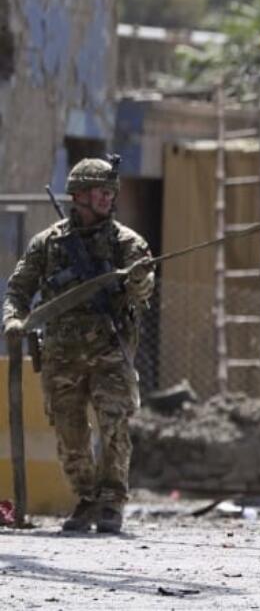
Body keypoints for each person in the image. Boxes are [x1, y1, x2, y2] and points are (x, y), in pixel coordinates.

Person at [2, 157, 155, 534]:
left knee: (114, 425)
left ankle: (112, 502)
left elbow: (144, 290)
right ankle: (87, 497)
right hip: (60, 355)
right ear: (79, 195)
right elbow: (18, 290)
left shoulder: (127, 244)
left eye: (110, 193)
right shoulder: (48, 244)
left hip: (110, 353)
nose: (107, 199)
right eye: (100, 192)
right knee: (70, 432)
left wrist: (137, 280)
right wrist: (12, 320)